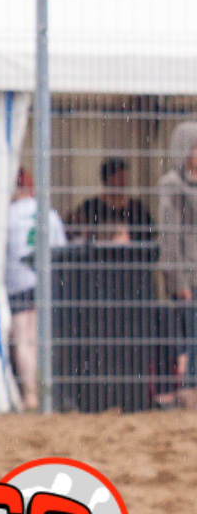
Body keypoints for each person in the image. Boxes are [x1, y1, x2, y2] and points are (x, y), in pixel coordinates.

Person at [6, 167, 66, 412]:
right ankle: (46, 392)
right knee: (40, 339)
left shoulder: (7, 215)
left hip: (18, 282)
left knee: (22, 340)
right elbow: (61, 249)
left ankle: (30, 393)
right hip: (44, 282)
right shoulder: (48, 214)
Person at [157, 121, 197, 407]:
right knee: (190, 335)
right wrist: (180, 280)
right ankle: (188, 391)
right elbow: (170, 236)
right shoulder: (172, 185)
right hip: (188, 274)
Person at [69, 157, 156, 244]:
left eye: (124, 178)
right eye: (118, 178)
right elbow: (76, 235)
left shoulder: (137, 209)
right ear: (107, 180)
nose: (123, 183)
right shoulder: (90, 208)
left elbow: (150, 237)